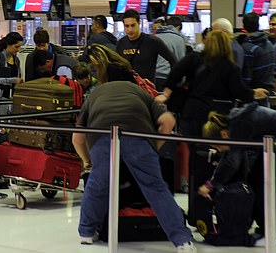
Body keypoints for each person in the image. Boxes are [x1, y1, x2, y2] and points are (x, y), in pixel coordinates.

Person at [72, 53, 196, 252]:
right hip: (138, 135)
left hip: (103, 136)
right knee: (155, 187)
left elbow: (77, 138)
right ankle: (182, 240)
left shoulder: (95, 93)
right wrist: (153, 147)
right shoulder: (139, 91)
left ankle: (86, 232)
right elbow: (168, 121)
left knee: (97, 184)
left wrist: (88, 161)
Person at [199, 104, 276, 247]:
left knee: (266, 188)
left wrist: (211, 185)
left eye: (217, 146)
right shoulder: (234, 123)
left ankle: (275, 235)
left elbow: (232, 162)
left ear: (223, 135)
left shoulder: (238, 127)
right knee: (256, 182)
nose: (217, 149)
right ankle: (269, 228)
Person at [158, 30, 268, 137]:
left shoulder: (194, 58)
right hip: (218, 113)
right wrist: (254, 93)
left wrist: (166, 94)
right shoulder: (230, 67)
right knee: (214, 146)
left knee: (190, 146)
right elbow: (239, 92)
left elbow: (176, 72)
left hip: (193, 109)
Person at [116, 9, 177, 82]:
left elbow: (173, 60)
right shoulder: (121, 43)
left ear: (139, 23)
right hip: (127, 88)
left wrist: (170, 84)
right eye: (127, 26)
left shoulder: (152, 41)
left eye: (133, 25)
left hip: (146, 89)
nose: (130, 29)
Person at [240, 12, 276, 91]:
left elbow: (247, 77)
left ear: (244, 26)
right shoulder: (269, 43)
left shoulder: (247, 48)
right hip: (268, 90)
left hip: (256, 93)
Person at [154, 16, 186, 91]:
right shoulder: (178, 39)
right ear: (178, 28)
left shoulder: (154, 37)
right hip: (168, 78)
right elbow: (181, 63)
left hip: (153, 78)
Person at [0, 32, 24, 99]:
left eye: (20, 47)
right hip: (0, 97)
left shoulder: (16, 60)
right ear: (8, 44)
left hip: (13, 97)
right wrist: (12, 80)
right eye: (16, 47)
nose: (18, 50)